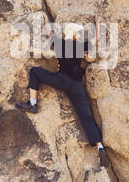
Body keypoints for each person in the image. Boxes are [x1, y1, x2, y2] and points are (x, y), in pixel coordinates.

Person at [16, 19, 111, 168]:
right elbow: (96, 39)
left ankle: (32, 104)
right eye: (78, 33)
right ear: (73, 35)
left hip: (61, 80)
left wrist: (45, 21)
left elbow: (50, 34)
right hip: (76, 86)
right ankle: (100, 147)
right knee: (86, 116)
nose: (79, 35)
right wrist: (98, 24)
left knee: (35, 71)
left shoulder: (60, 44)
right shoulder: (80, 46)